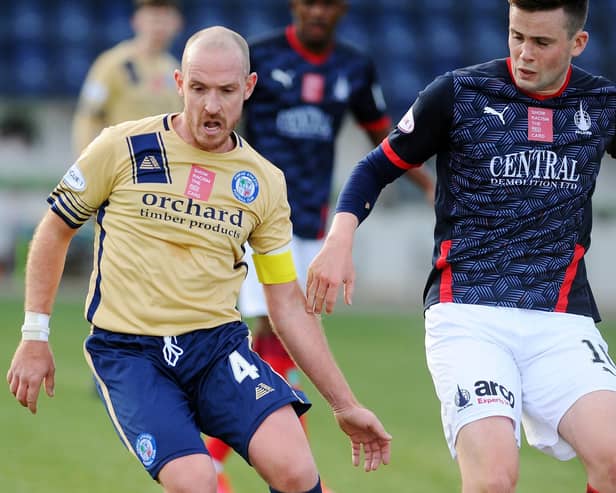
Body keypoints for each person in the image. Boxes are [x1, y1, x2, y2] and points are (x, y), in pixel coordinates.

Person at [6, 26, 391, 493]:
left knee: (296, 469)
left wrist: (344, 404)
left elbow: (285, 301)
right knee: (195, 480)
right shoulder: (122, 146)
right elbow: (55, 228)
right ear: (178, 84)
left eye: (227, 91)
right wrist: (34, 335)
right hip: (131, 351)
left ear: (249, 87)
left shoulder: (264, 182)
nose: (212, 105)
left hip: (216, 349)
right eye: (199, 88)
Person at [305, 1, 616, 492]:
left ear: (577, 44)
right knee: (493, 479)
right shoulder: (460, 92)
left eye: (541, 42)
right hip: (468, 314)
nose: (524, 53)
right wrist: (340, 237)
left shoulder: (601, 104)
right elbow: (374, 168)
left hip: (559, 317)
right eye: (516, 36)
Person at [207, 2, 433, 490]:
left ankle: (222, 460)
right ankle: (294, 475)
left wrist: (431, 186)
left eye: (326, 3)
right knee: (277, 335)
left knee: (276, 343)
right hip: (257, 220)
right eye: (308, 2)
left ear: (341, 9)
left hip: (313, 224)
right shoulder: (261, 59)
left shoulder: (352, 67)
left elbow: (383, 136)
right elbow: (221, 120)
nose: (316, 11)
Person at [72, 0, 183, 156]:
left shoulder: (174, 68)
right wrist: (86, 163)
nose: (159, 26)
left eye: (165, 19)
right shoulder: (112, 64)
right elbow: (88, 117)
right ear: (136, 21)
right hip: (122, 164)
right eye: (153, 19)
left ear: (177, 23)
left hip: (161, 167)